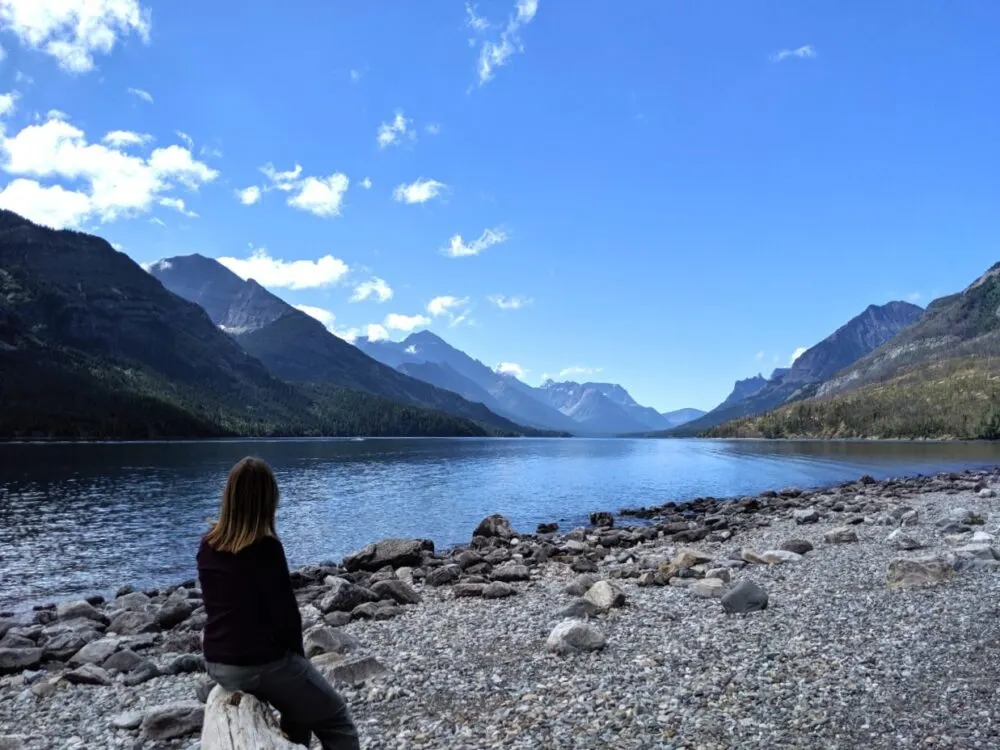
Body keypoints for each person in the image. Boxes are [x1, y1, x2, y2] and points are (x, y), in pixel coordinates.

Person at [197, 456, 360, 749]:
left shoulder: (208, 544)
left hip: (217, 662)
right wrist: (299, 660)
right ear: (267, 499)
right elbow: (286, 616)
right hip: (258, 664)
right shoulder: (265, 548)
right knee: (338, 722)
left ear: (230, 495)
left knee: (297, 709)